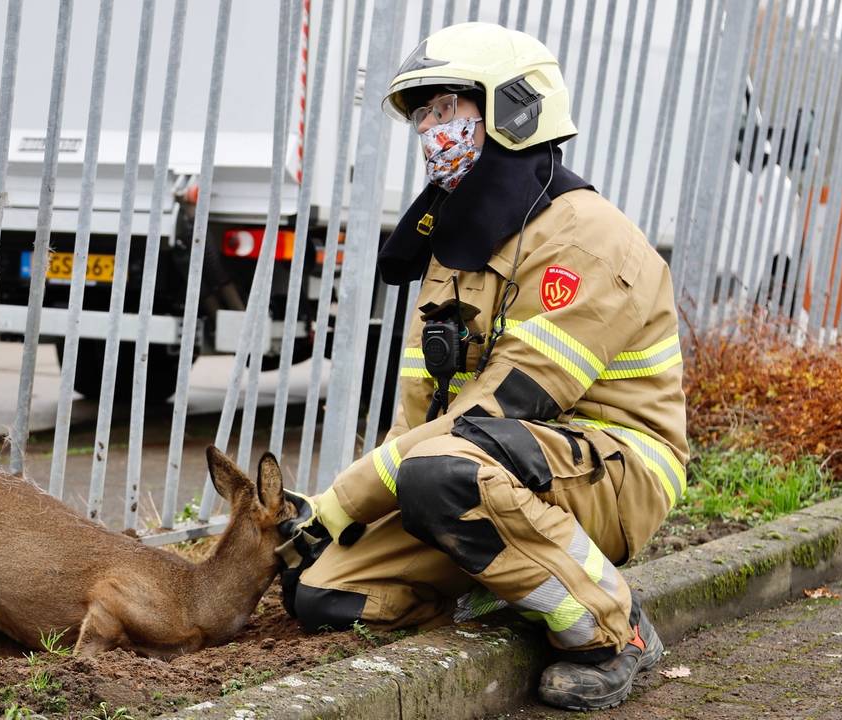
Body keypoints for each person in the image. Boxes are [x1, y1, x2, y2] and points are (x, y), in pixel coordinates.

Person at [276, 22, 689, 711]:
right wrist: (344, 527)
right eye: (424, 116)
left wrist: (341, 501)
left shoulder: (586, 236)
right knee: (324, 591)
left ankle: (615, 633)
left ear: (514, 110)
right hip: (486, 468)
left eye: (448, 109)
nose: (432, 131)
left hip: (614, 471)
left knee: (442, 475)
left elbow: (504, 408)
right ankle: (511, 589)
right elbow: (420, 417)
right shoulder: (458, 241)